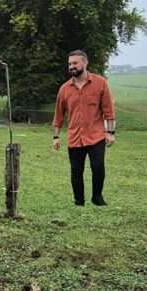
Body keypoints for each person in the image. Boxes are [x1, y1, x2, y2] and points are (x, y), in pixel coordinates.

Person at [52, 50, 116, 206]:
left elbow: (108, 110)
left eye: (75, 63)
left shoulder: (100, 83)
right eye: (69, 64)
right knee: (76, 171)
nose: (71, 66)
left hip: (96, 135)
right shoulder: (64, 89)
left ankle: (97, 197)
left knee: (98, 167)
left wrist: (110, 132)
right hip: (75, 137)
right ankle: (79, 200)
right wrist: (56, 136)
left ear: (85, 63)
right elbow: (59, 115)